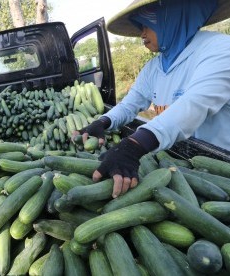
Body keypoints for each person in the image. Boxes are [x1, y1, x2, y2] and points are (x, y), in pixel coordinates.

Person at [74, 0, 230, 198]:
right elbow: (130, 104)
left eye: (147, 24)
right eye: (140, 26)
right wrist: (103, 122)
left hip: (221, 170)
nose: (142, 33)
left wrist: (135, 146)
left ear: (173, 17)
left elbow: (193, 105)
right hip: (178, 164)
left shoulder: (220, 50)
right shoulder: (154, 68)